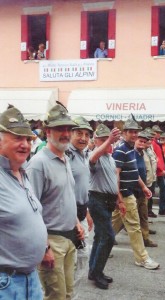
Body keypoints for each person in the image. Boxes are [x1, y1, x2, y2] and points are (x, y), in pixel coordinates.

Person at [26, 102, 84, 300]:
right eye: (60, 128)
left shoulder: (64, 157)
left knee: (67, 294)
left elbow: (64, 196)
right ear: (47, 131)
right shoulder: (39, 164)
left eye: (68, 128)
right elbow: (30, 211)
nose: (66, 133)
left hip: (68, 238)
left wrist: (76, 222)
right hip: (51, 241)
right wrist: (44, 248)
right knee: (55, 296)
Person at [0, 105, 47, 299]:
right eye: (18, 138)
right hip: (6, 284)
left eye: (28, 139)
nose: (26, 144)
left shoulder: (22, 171)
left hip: (30, 279)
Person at [112, 116, 160, 270]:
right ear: (124, 133)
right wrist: (119, 198)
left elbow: (133, 172)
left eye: (136, 132)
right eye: (131, 132)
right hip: (125, 195)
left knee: (112, 226)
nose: (134, 135)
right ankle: (142, 258)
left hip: (128, 193)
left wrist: (144, 187)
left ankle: (100, 247)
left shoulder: (130, 150)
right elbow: (116, 175)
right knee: (134, 226)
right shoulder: (121, 150)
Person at [88, 124, 123, 289]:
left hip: (107, 201)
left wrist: (117, 198)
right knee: (108, 237)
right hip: (97, 199)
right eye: (102, 140)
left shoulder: (110, 158)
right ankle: (96, 272)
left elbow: (112, 180)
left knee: (99, 236)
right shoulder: (94, 154)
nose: (107, 144)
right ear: (95, 141)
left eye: (108, 140)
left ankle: (94, 270)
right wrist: (109, 140)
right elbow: (92, 158)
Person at [66, 116, 93, 294]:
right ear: (70, 134)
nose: (83, 138)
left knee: (83, 255)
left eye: (86, 134)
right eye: (79, 133)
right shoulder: (66, 155)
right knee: (70, 258)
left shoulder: (83, 154)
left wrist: (88, 211)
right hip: (68, 215)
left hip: (82, 211)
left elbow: (84, 186)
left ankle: (72, 293)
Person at [134, 130, 158, 247]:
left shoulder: (143, 153)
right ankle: (109, 236)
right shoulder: (131, 153)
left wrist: (146, 186)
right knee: (121, 219)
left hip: (143, 189)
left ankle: (145, 238)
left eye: (145, 141)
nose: (142, 143)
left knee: (143, 215)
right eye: (140, 141)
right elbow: (133, 172)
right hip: (132, 191)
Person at [152, 125, 165, 216]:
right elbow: (156, 158)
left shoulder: (155, 143)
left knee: (160, 189)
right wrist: (161, 169)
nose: (159, 134)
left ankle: (161, 209)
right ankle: (161, 209)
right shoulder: (153, 143)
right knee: (162, 189)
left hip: (158, 170)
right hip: (157, 171)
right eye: (157, 132)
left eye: (159, 133)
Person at [144, 127, 158, 218]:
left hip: (151, 178)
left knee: (148, 200)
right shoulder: (141, 150)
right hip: (144, 181)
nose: (150, 140)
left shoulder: (150, 148)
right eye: (148, 139)